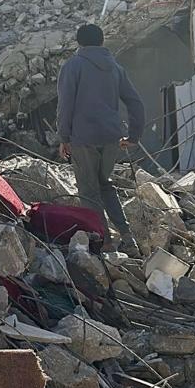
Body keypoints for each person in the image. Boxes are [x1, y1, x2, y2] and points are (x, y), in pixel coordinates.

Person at [56, 23, 145, 251]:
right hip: (111, 137)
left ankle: (104, 241)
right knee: (105, 185)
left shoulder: (73, 66)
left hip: (83, 138)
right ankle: (127, 236)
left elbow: (65, 105)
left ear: (79, 42)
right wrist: (134, 135)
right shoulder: (115, 67)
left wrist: (64, 137)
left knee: (88, 190)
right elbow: (135, 102)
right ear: (102, 41)